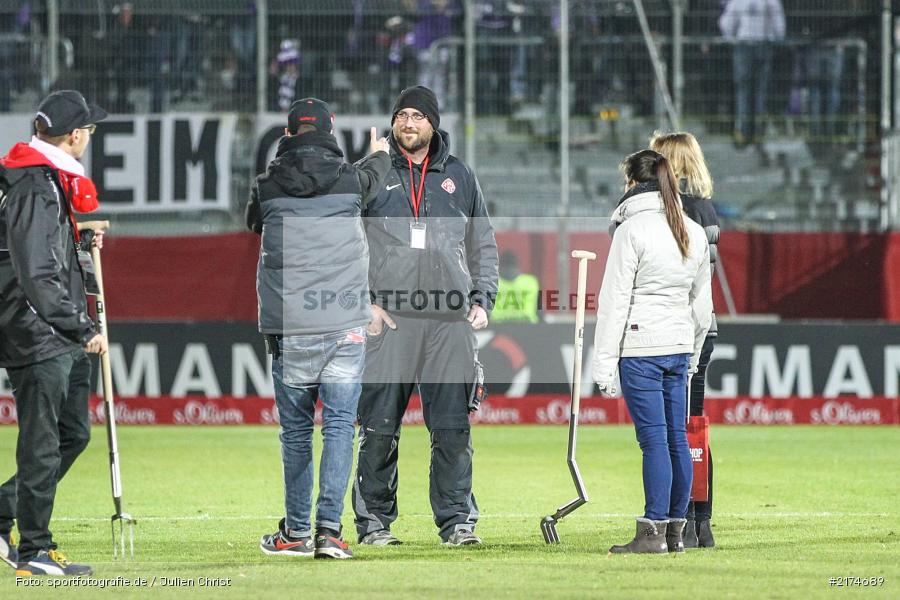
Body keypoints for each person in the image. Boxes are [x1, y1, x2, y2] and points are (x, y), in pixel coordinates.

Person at [353, 85, 498, 546]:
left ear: (433, 124)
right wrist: (364, 304)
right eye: (401, 116)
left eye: (417, 115)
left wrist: (482, 299)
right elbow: (346, 244)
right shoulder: (371, 173)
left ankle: (457, 522)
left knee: (454, 429)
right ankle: (373, 523)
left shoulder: (460, 176)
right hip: (390, 320)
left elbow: (483, 245)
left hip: (449, 322)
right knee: (378, 428)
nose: (408, 123)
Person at [246, 98, 391, 560]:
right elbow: (373, 177)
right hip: (345, 322)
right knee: (341, 427)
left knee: (295, 432)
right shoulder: (350, 178)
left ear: (287, 136)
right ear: (330, 133)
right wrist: (379, 152)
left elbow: (254, 223)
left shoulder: (267, 186)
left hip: (291, 327)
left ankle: (295, 531)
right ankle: (330, 532)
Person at [0, 90, 109, 576]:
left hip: (47, 325)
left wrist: (79, 239)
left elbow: (39, 254)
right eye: (89, 129)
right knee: (44, 441)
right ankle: (34, 551)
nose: (91, 136)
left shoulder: (39, 177)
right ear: (75, 135)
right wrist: (78, 325)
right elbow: (35, 270)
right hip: (38, 328)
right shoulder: (34, 186)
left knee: (72, 433)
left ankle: (5, 513)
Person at [592, 149, 712, 555]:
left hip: (641, 348)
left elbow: (614, 301)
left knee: (654, 442)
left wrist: (603, 365)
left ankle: (652, 532)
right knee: (677, 438)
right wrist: (693, 354)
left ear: (631, 183)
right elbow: (702, 306)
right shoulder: (691, 229)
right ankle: (677, 533)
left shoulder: (633, 229)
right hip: (678, 347)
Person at [650, 131, 720, 548]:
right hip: (701, 326)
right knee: (692, 428)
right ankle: (699, 520)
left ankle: (684, 516)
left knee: (672, 430)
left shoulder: (674, 210)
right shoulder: (705, 210)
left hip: (674, 330)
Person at [719, 0, 786, 148]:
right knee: (760, 91)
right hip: (763, 45)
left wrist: (732, 39)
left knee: (743, 91)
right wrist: (774, 39)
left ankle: (743, 132)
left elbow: (726, 24)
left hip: (744, 46)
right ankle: (758, 133)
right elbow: (779, 27)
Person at [492, 250, 540, 323]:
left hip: (498, 328)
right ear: (518, 265)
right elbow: (539, 310)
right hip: (528, 328)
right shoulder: (530, 282)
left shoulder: (492, 283)